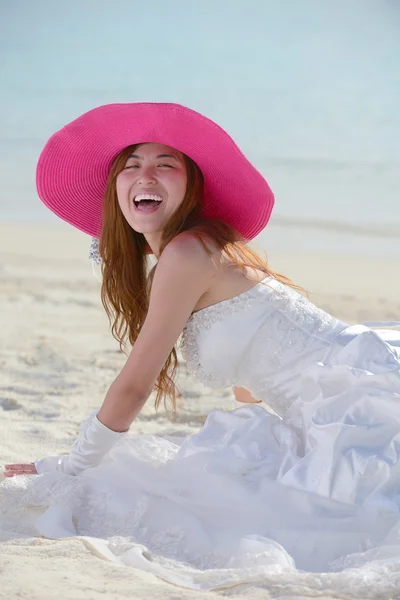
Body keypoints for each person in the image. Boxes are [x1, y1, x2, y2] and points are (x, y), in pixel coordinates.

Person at [2, 102, 400, 590]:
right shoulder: (189, 252)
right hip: (325, 405)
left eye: (164, 164)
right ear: (116, 192)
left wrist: (72, 465)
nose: (145, 174)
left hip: (360, 400)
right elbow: (253, 374)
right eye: (131, 166)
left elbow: (134, 386)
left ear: (192, 186)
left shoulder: (189, 252)